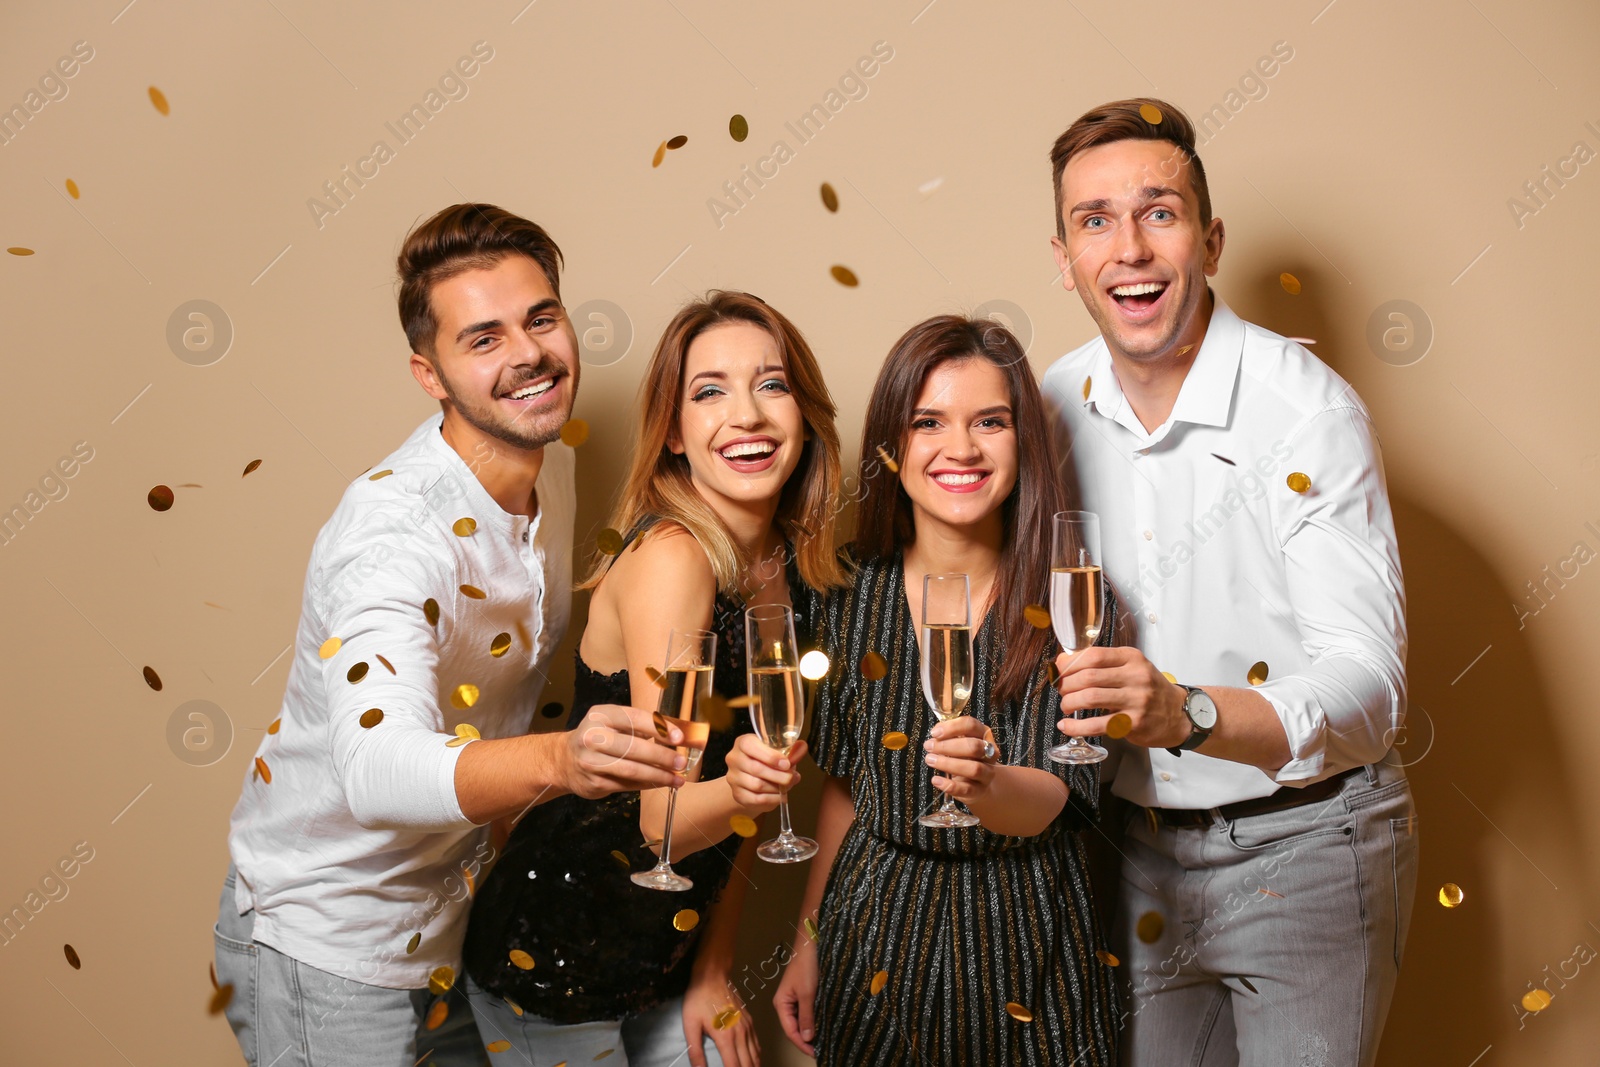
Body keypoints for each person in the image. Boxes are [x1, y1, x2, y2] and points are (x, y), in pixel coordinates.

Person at [216, 203, 692, 1067]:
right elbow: (376, 765)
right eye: (483, 339)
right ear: (427, 373)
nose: (528, 354)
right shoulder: (391, 532)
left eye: (541, 318)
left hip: (457, 925)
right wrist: (561, 761)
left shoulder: (559, 468)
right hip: (328, 942)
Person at [1040, 99, 1417, 1066]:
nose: (1129, 247)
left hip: (1308, 846)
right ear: (1063, 252)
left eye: (1158, 213)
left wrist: (1187, 713)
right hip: (1130, 857)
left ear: (1208, 240)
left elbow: (1371, 692)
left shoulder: (1311, 412)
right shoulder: (1045, 407)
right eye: (1095, 220)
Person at [460, 291, 847, 1067]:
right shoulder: (677, 557)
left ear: (803, 415)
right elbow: (661, 814)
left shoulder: (792, 575)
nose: (747, 415)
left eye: (771, 385)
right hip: (558, 948)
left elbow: (741, 815)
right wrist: (746, 791)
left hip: (666, 955)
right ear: (673, 431)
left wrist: (713, 972)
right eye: (709, 391)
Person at [773, 316, 1122, 1065]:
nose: (960, 448)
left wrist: (988, 782)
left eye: (990, 422)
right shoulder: (847, 593)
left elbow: (1064, 792)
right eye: (927, 421)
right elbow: (844, 783)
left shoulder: (1075, 599)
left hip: (1033, 935)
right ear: (892, 446)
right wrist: (809, 940)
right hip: (873, 934)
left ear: (1023, 441)